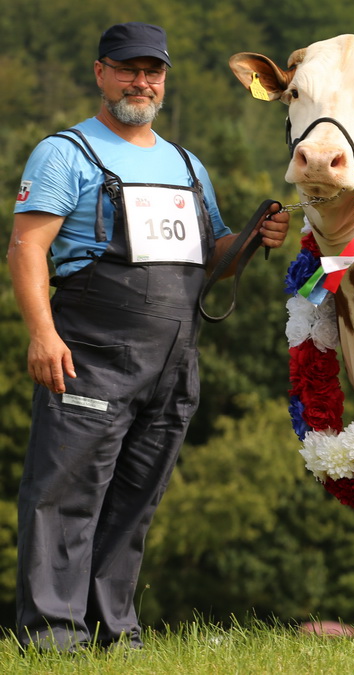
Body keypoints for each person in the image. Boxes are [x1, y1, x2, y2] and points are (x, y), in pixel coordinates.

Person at [7, 22, 290, 651]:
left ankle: (114, 634)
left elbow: (212, 259)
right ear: (100, 71)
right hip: (90, 352)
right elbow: (27, 246)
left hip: (173, 359)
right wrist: (42, 334)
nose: (142, 81)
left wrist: (249, 239)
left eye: (153, 71)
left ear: (164, 79)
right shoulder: (65, 152)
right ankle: (54, 638)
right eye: (128, 68)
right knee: (65, 496)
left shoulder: (188, 164)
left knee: (135, 501)